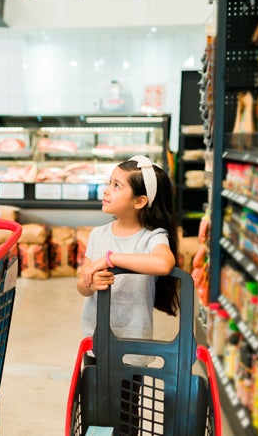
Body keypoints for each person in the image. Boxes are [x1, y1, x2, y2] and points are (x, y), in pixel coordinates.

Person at [76, 155, 179, 435]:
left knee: (125, 412)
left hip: (132, 344)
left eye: (117, 185)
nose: (107, 189)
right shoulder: (98, 234)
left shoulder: (152, 237)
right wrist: (90, 281)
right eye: (109, 182)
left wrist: (110, 259)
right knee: (94, 408)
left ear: (140, 201)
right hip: (97, 338)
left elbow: (164, 264)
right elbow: (81, 285)